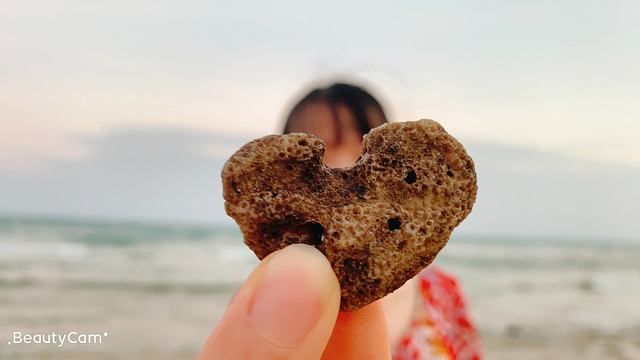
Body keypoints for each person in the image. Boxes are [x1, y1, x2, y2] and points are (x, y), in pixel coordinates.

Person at [199, 82, 482, 360]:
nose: (343, 165)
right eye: (323, 148)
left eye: (359, 148)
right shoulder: (266, 303)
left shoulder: (443, 292)